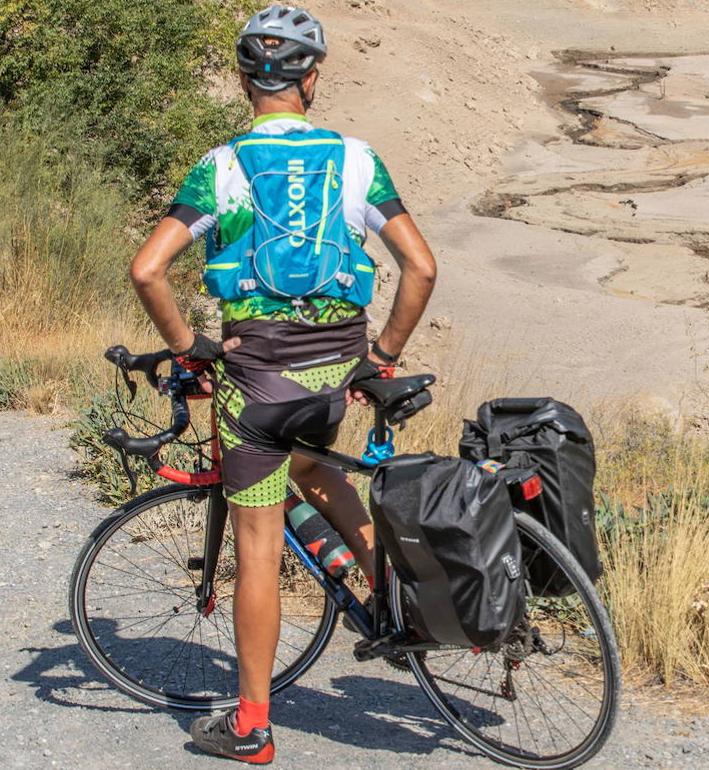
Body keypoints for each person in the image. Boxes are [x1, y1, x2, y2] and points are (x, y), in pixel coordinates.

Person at [128, 5, 437, 763]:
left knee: (258, 546)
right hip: (334, 374)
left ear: (243, 81)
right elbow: (421, 267)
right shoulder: (357, 159)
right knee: (317, 467)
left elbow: (147, 269)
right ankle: (401, 605)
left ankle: (253, 726)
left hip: (256, 379)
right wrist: (384, 354)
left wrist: (187, 347)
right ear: (313, 79)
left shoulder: (222, 166)